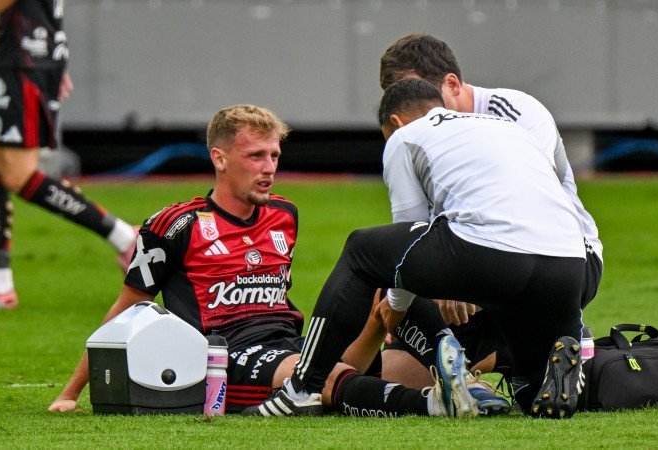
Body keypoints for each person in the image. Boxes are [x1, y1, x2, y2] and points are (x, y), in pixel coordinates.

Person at [48, 104, 472, 418]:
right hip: (227, 356)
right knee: (316, 376)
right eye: (256, 157)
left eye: (274, 156)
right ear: (219, 158)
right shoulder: (175, 225)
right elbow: (125, 313)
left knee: (396, 325)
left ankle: (467, 380)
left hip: (291, 341)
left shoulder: (284, 215)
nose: (269, 168)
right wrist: (71, 392)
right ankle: (430, 406)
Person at [251, 79, 587, 419]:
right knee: (531, 393)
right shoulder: (506, 127)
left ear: (395, 122)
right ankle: (552, 362)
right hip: (570, 263)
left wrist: (396, 305)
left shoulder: (404, 137)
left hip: (493, 254)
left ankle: (302, 388)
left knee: (362, 251)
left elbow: (408, 236)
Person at [376, 33, 603, 390]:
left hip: (563, 259)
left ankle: (543, 343)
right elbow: (415, 231)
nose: (414, 118)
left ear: (451, 85)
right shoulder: (426, 137)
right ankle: (528, 355)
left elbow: (532, 210)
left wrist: (460, 276)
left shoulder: (516, 111)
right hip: (481, 263)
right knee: (390, 360)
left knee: (381, 278)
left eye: (422, 100)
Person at [0, 0, 136, 309]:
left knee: (17, 173)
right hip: (21, 54)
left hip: (20, 59)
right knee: (0, 164)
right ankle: (0, 283)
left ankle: (124, 237)